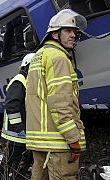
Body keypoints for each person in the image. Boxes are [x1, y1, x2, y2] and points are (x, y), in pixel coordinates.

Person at [25, 9, 87, 179]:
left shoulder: (39, 56)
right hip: (58, 142)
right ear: (55, 34)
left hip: (41, 141)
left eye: (74, 31)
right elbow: (60, 103)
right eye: (67, 31)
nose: (73, 35)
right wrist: (73, 138)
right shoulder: (58, 57)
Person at [0, 53, 35, 180]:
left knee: (19, 166)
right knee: (10, 166)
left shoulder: (29, 81)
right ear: (26, 66)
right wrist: (19, 128)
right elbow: (12, 107)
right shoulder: (19, 81)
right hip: (15, 135)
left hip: (22, 135)